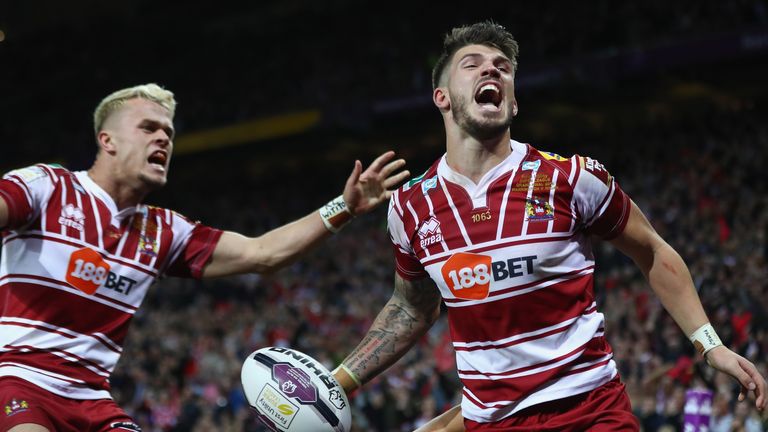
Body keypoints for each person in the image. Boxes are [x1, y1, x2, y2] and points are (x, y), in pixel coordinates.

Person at [331, 21, 766, 431]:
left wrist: (710, 344)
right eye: (473, 64)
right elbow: (410, 307)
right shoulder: (410, 206)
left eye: (503, 67)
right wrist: (335, 386)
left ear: (514, 101)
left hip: (592, 411)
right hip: (492, 422)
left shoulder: (572, 177)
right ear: (442, 97)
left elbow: (652, 249)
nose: (491, 69)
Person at [0, 83, 409, 432]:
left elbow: (262, 253)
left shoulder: (163, 231)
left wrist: (345, 206)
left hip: (92, 399)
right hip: (18, 382)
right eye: (148, 128)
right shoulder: (46, 186)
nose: (163, 139)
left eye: (168, 133)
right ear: (107, 141)